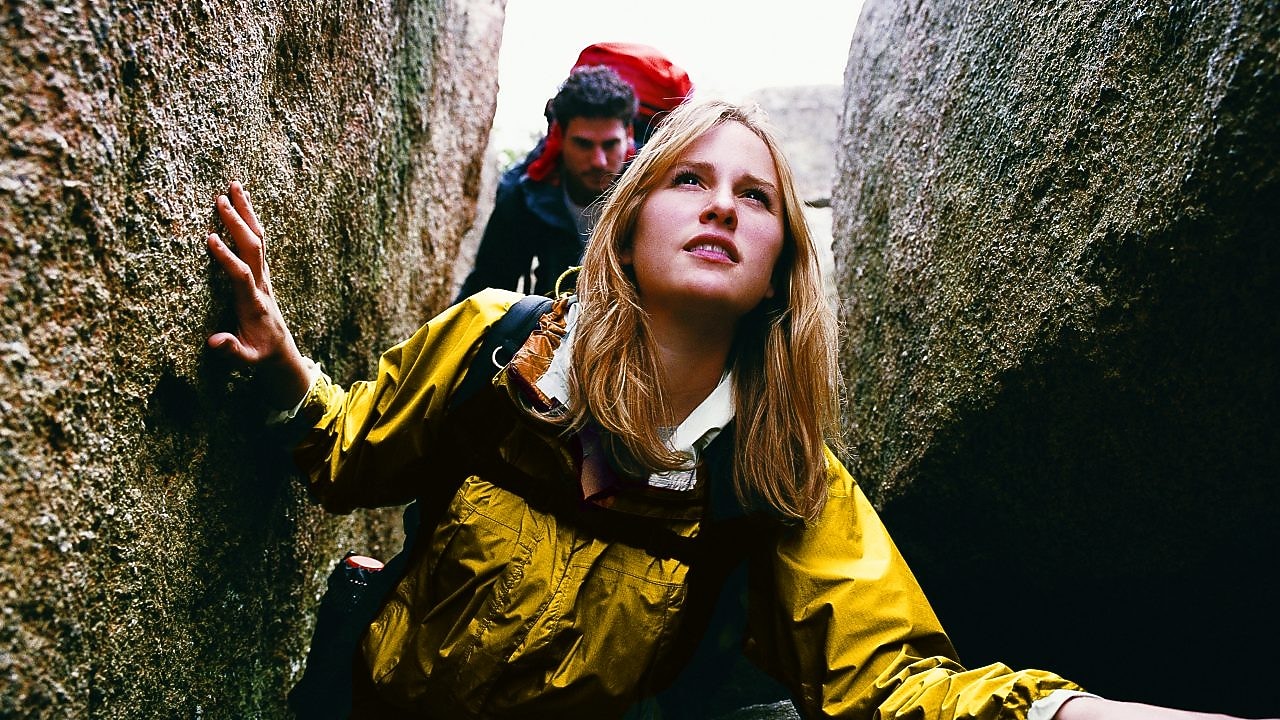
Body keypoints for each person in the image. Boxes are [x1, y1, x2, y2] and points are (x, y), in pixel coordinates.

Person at [206, 99, 1267, 720]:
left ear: (776, 274)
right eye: (689, 182)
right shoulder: (497, 338)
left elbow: (890, 684)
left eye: (754, 196)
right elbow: (347, 456)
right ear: (624, 230)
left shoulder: (777, 473)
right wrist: (277, 360)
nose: (721, 203)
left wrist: (1076, 714)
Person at [453, 64, 638, 301]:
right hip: (555, 326)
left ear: (629, 134)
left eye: (610, 144)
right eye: (583, 144)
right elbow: (489, 285)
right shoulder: (523, 193)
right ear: (558, 136)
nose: (598, 161)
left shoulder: (649, 187)